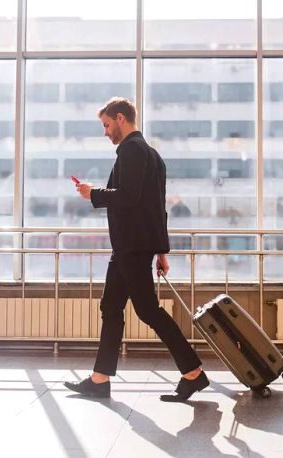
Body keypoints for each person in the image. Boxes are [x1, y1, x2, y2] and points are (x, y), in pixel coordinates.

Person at [63, 97, 209, 401]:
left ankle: (193, 372)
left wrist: (93, 194)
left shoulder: (131, 150)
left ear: (120, 118)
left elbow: (128, 197)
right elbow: (156, 207)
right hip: (132, 247)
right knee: (111, 307)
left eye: (106, 124)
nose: (105, 132)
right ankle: (100, 379)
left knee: (148, 311)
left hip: (131, 246)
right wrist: (161, 251)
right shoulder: (152, 155)